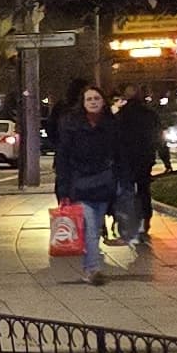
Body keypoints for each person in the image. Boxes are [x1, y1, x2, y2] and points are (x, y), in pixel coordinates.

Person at [53, 86, 117, 284]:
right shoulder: (71, 125)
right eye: (89, 99)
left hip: (104, 185)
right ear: (83, 102)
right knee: (90, 228)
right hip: (80, 185)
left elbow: (120, 154)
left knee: (96, 228)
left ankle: (92, 266)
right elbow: (63, 158)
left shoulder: (111, 125)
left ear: (103, 101)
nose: (93, 102)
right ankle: (93, 269)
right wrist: (63, 190)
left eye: (97, 98)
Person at [113, 92, 174, 247]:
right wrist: (166, 161)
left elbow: (113, 139)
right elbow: (159, 139)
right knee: (143, 192)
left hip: (125, 161)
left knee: (128, 194)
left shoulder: (121, 117)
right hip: (144, 160)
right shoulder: (150, 116)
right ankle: (144, 225)